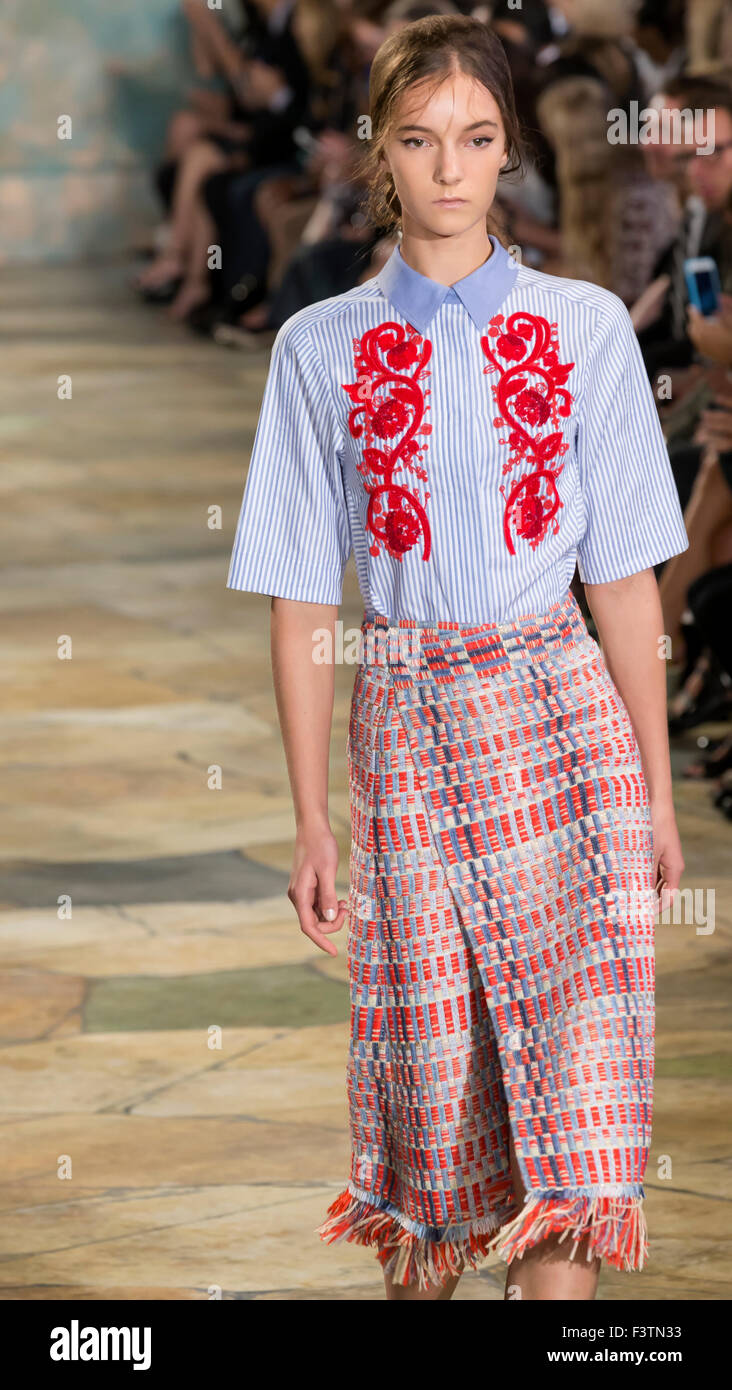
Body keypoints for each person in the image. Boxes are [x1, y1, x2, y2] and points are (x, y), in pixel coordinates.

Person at [225, 15, 690, 1301]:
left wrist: (653, 788)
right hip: (413, 729)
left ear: (509, 151)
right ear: (382, 149)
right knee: (434, 1096)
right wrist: (315, 819)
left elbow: (628, 581)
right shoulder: (318, 350)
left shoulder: (587, 329)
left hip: (565, 717)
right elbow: (296, 595)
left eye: (476, 140)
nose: (449, 169)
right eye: (421, 140)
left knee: (574, 1094)